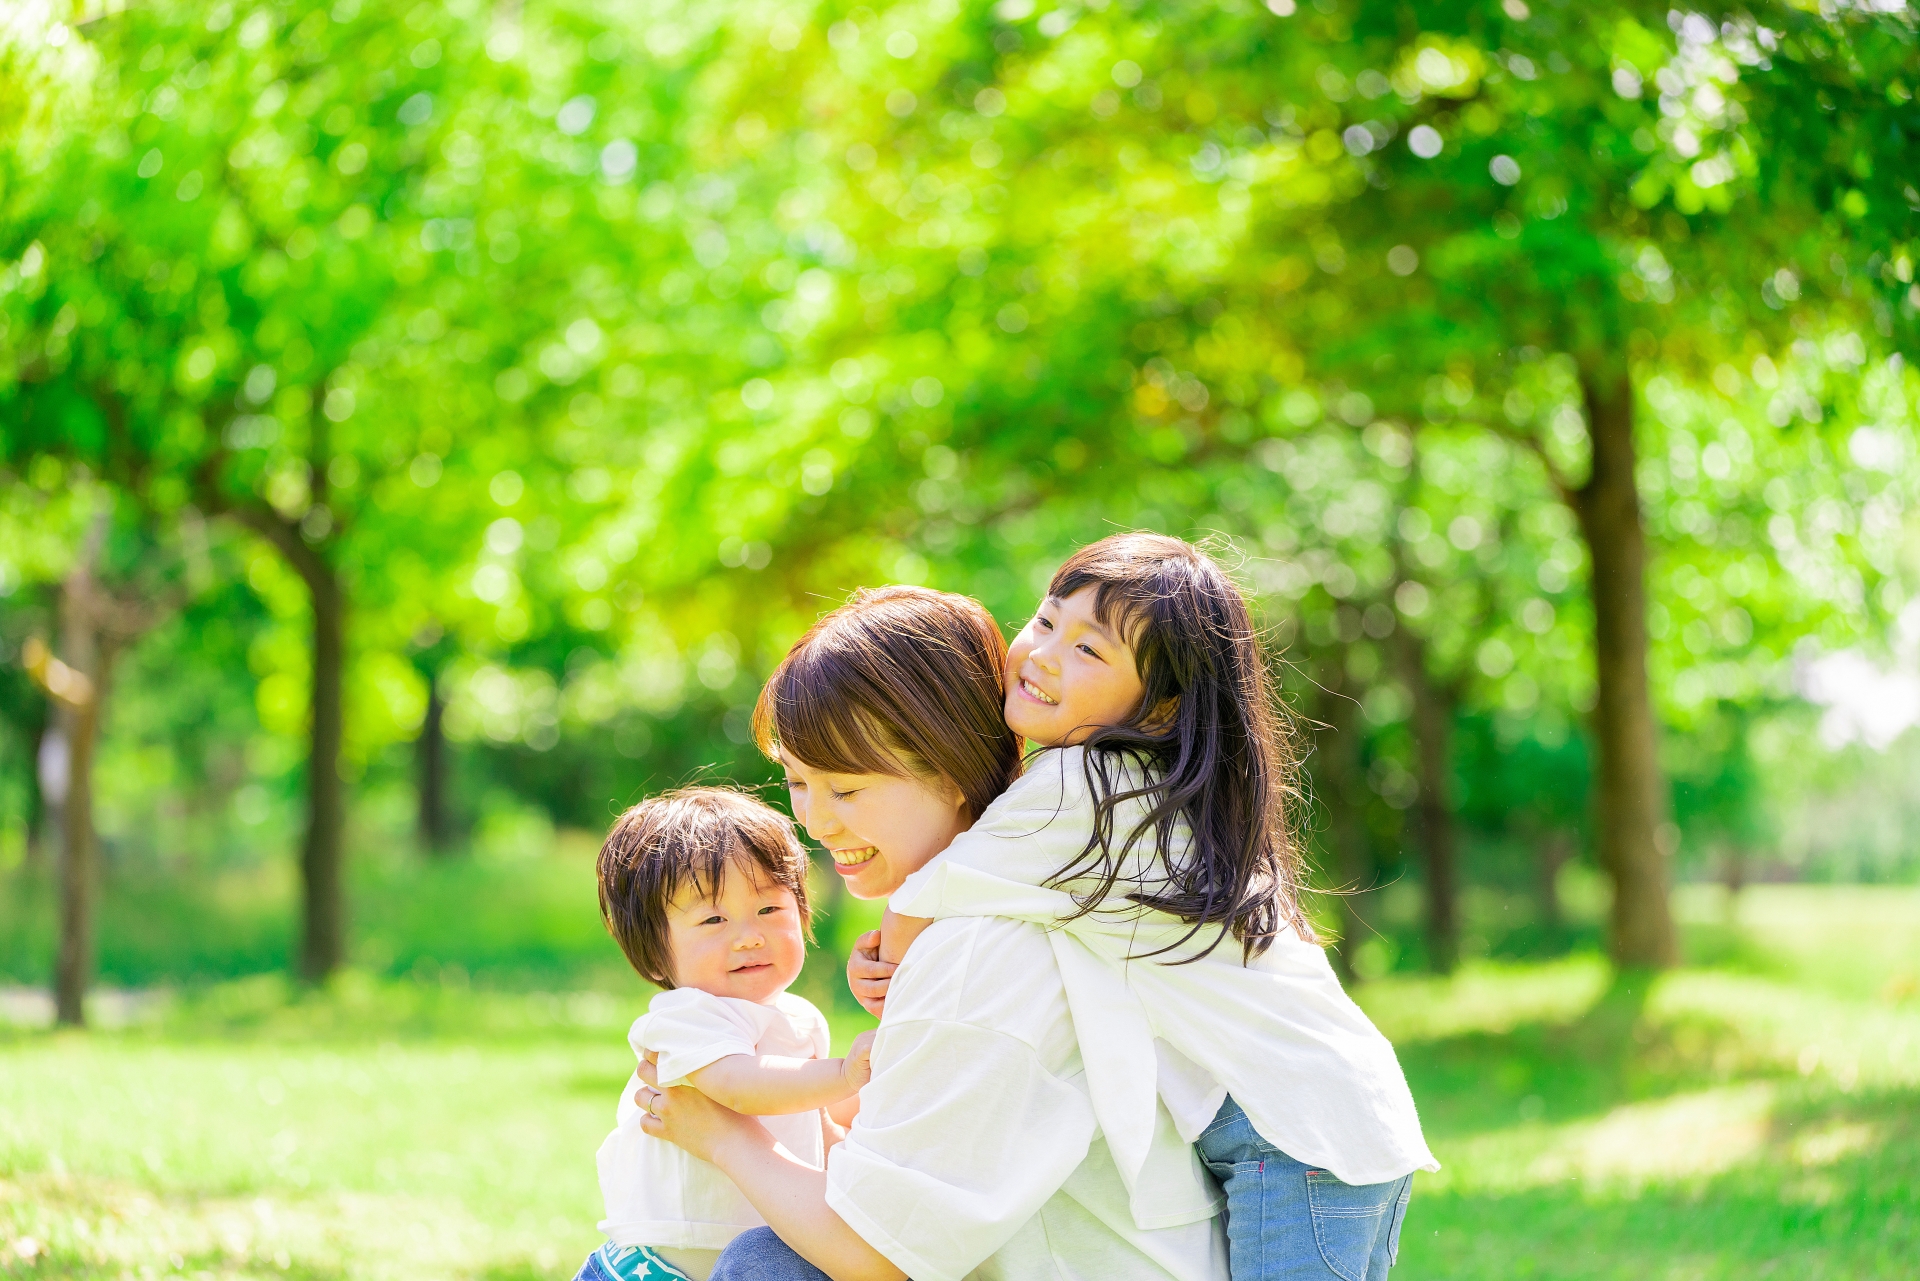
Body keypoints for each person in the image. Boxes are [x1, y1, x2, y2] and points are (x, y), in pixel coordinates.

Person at [863, 534, 1437, 1280]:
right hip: (1333, 1120)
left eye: (1089, 651)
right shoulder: (1153, 792)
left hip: (1294, 1141)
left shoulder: (1085, 787)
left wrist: (884, 964)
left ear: (1163, 707)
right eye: (1045, 621)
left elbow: (931, 891)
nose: (1042, 653)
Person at [633, 585, 1228, 1281]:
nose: (816, 821)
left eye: (847, 789)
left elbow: (875, 1253)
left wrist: (727, 1136)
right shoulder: (1002, 907)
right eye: (797, 781)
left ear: (949, 773)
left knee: (762, 1264)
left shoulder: (985, 952)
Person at [578, 787, 875, 1281]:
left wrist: (844, 1145)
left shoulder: (799, 1019)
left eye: (770, 910)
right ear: (654, 952)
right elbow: (740, 1086)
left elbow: (807, 1119)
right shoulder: (685, 1017)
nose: (749, 935)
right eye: (714, 919)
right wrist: (844, 1074)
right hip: (657, 1267)